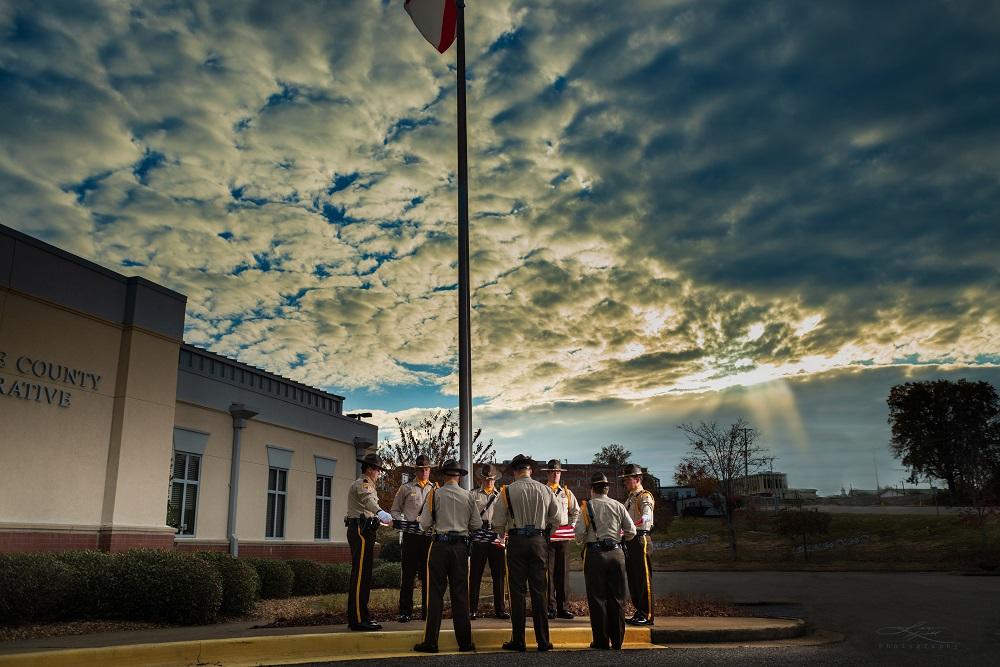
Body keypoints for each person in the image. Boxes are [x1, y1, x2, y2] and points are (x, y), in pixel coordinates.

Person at [491, 454, 561, 652]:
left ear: (515, 471)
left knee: (517, 591)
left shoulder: (507, 491)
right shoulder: (546, 490)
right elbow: (557, 518)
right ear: (530, 470)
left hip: (517, 541)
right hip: (539, 541)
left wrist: (504, 533)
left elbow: (497, 522)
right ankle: (543, 641)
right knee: (540, 591)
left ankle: (519, 640)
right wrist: (545, 535)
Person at [413, 459, 481, 654]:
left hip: (440, 546)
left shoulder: (435, 494)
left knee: (435, 594)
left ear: (444, 475)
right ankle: (465, 643)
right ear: (458, 476)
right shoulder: (468, 496)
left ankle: (431, 642)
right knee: (460, 595)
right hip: (460, 547)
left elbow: (424, 524)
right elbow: (476, 525)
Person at [576, 472, 636, 650]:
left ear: (592, 489)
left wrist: (586, 538)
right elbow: (631, 530)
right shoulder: (618, 505)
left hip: (596, 554)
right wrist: (618, 538)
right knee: (617, 598)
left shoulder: (588, 507)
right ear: (607, 488)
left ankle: (601, 641)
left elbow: (578, 534)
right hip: (617, 554)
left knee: (597, 598)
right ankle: (617, 640)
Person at [345, 453, 393, 631]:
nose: (379, 473)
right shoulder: (363, 483)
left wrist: (378, 518)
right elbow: (368, 501)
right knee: (360, 575)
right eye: (378, 470)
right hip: (361, 530)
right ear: (370, 469)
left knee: (364, 575)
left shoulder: (368, 484)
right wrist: (380, 512)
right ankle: (358, 619)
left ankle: (361, 616)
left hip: (365, 529)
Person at [391, 454, 437, 622]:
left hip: (428, 537)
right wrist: (404, 522)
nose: (423, 472)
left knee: (428, 575)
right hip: (411, 536)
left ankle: (427, 611)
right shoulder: (406, 488)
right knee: (408, 575)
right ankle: (405, 611)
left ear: (429, 470)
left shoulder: (435, 489)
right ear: (415, 470)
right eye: (420, 469)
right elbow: (395, 510)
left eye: (426, 469)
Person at [540, 459, 580, 620]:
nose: (556, 474)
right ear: (548, 473)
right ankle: (551, 607)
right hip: (548, 535)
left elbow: (576, 511)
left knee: (563, 573)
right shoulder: (542, 491)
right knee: (548, 573)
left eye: (558, 472)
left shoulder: (567, 493)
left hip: (563, 536)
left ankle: (564, 607)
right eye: (553, 472)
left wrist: (572, 526)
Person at [469, 463, 509, 620]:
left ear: (495, 479)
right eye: (486, 479)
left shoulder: (501, 496)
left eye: (491, 479)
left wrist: (505, 533)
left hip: (496, 534)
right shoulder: (473, 495)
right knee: (475, 574)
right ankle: (472, 609)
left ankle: (500, 609)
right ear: (481, 479)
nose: (489, 482)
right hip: (479, 534)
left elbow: (506, 516)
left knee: (498, 574)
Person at [620, 463, 655, 626]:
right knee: (634, 578)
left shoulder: (644, 496)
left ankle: (647, 614)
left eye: (628, 478)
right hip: (630, 540)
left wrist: (637, 523)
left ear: (638, 478)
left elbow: (648, 516)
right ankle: (639, 611)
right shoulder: (630, 498)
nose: (625, 482)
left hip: (641, 538)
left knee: (643, 577)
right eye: (624, 479)